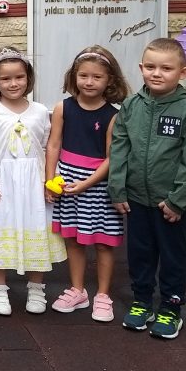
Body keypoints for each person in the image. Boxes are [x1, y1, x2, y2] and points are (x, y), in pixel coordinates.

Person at [108, 38, 186, 340]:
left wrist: (178, 201)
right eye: (150, 67)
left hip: (170, 203)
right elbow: (119, 148)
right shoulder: (131, 106)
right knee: (140, 253)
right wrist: (118, 188)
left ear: (182, 72)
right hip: (136, 198)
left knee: (172, 256)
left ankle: (171, 308)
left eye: (166, 68)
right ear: (141, 68)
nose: (157, 73)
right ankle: (142, 302)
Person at [0, 47, 66, 316]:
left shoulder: (40, 111)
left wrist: (49, 181)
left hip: (34, 182)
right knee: (0, 230)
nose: (13, 83)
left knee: (36, 228)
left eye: (19, 77)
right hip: (1, 182)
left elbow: (47, 147)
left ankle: (36, 288)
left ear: (28, 77)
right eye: (6, 78)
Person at [47, 46, 130, 323]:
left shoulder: (113, 115)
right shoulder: (63, 108)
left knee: (103, 242)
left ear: (110, 80)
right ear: (74, 76)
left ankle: (103, 295)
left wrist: (87, 183)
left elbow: (111, 157)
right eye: (83, 75)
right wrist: (50, 180)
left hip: (98, 185)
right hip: (67, 182)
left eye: (97, 77)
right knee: (73, 239)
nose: (89, 82)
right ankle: (78, 290)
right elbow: (53, 145)